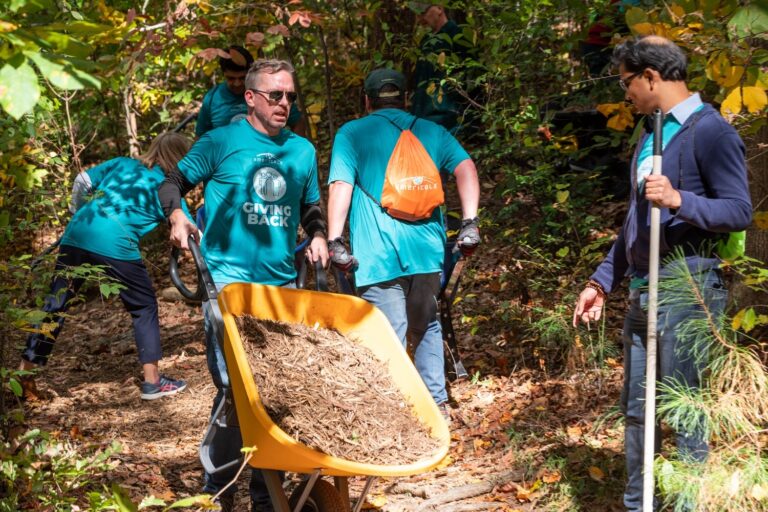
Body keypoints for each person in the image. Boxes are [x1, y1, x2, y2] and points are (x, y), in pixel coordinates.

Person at [572, 36, 752, 511]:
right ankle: (639, 504)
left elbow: (738, 210)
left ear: (651, 76)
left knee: (685, 409)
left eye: (627, 82)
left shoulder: (710, 132)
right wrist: (601, 281)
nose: (625, 92)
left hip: (687, 289)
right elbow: (636, 220)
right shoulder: (651, 133)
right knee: (637, 412)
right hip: (641, 291)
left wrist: (679, 200)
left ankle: (688, 503)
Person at [159, 59, 328, 512]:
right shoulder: (220, 141)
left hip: (280, 290)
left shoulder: (302, 152)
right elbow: (172, 182)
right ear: (250, 98)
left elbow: (310, 205)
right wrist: (177, 215)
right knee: (237, 391)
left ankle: (265, 497)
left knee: (275, 391)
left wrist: (316, 235)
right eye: (275, 95)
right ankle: (218, 488)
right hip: (226, 287)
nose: (284, 103)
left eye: (290, 95)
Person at [326, 68, 480, 416]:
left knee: (387, 333)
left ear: (367, 100)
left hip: (377, 253)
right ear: (406, 98)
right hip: (427, 250)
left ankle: (393, 414)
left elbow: (341, 187)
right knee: (426, 323)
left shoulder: (352, 133)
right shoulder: (431, 131)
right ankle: (436, 406)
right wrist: (470, 221)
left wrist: (335, 239)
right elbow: (466, 167)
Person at [20, 132, 193, 401]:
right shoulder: (167, 188)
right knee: (143, 306)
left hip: (77, 232)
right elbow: (192, 236)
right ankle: (152, 383)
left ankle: (22, 378)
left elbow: (82, 180)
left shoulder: (123, 164)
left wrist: (78, 214)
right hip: (115, 243)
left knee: (56, 304)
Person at [196, 45, 306, 138]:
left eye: (242, 78)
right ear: (223, 74)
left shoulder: (268, 92)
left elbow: (297, 122)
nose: (237, 83)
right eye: (231, 78)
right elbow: (200, 137)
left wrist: (294, 153)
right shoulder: (213, 98)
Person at [409, 2, 476, 134]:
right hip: (423, 115)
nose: (421, 19)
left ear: (439, 9)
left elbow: (470, 76)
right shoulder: (426, 40)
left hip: (448, 116)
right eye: (418, 14)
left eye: (424, 13)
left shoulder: (458, 35)